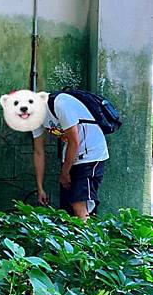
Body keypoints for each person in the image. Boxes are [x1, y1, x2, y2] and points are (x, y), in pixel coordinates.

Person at [32, 92, 109, 221]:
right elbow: (39, 152)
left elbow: (74, 141)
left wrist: (65, 173)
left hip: (90, 153)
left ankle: (89, 239)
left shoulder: (59, 104)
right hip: (71, 157)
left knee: (78, 204)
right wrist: (40, 188)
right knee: (68, 209)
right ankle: (79, 237)